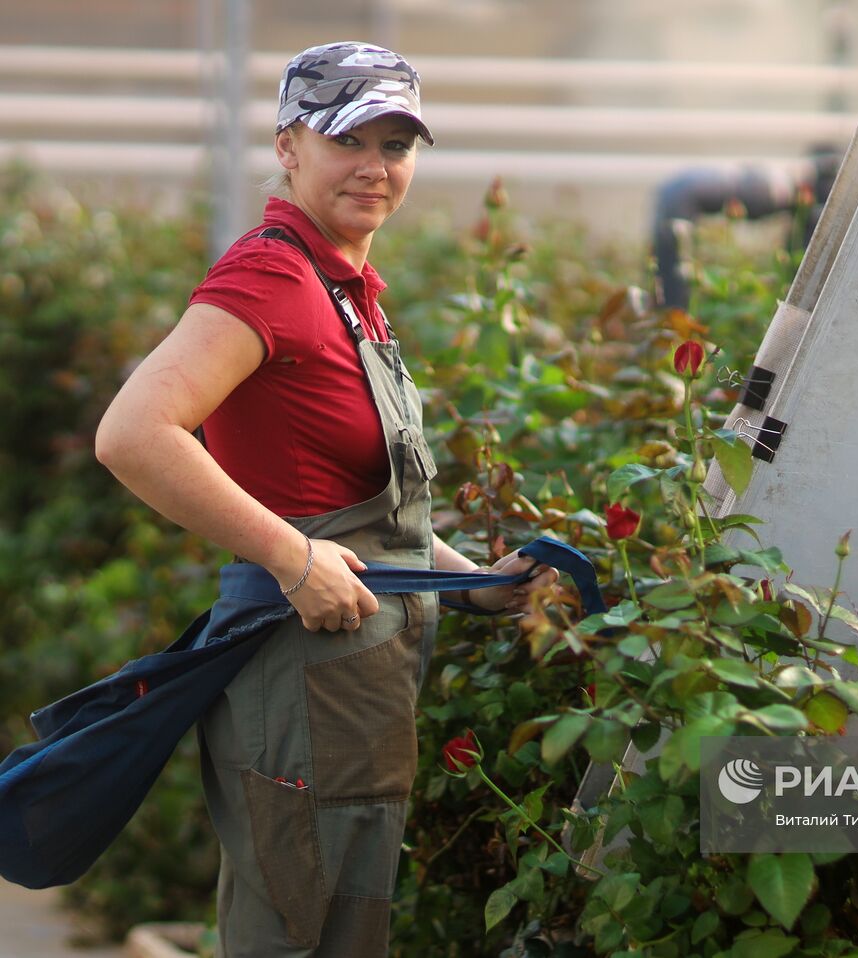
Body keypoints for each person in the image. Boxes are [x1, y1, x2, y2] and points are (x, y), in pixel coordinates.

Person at [94, 41, 556, 957]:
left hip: (352, 682)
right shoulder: (272, 277)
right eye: (349, 139)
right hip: (304, 680)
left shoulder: (343, 288)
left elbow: (362, 506)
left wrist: (473, 580)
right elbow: (133, 435)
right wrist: (291, 556)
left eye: (397, 143)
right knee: (299, 937)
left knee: (341, 930)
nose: (376, 168)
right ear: (287, 146)